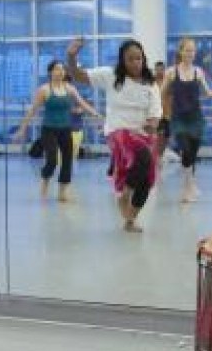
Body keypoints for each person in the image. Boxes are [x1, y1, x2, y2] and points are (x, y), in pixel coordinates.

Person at [66, 38, 162, 232]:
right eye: (131, 59)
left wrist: (153, 125)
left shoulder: (150, 84)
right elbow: (79, 75)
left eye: (139, 58)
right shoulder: (110, 76)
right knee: (142, 155)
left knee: (148, 178)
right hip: (118, 132)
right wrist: (71, 56)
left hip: (141, 134)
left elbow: (155, 115)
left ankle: (130, 219)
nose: (136, 63)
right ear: (122, 60)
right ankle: (124, 192)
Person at [14, 60, 100, 202]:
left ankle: (62, 192)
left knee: (67, 161)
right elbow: (32, 110)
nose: (60, 72)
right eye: (57, 69)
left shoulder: (70, 88)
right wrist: (22, 129)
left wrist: (94, 113)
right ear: (50, 72)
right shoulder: (44, 90)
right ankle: (45, 179)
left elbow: (82, 103)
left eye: (62, 70)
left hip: (66, 129)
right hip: (49, 130)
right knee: (52, 161)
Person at [161, 37, 212, 202]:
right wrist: (157, 112)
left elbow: (207, 93)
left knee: (192, 154)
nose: (190, 54)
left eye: (192, 51)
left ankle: (191, 184)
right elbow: (162, 93)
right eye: (187, 50)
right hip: (179, 118)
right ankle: (187, 188)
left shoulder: (198, 72)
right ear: (181, 52)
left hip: (196, 118)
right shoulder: (171, 72)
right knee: (185, 149)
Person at [153, 61, 171, 162]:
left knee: (166, 136)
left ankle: (161, 155)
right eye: (157, 69)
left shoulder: (168, 81)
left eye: (161, 69)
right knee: (158, 136)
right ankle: (157, 156)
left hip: (168, 114)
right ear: (155, 70)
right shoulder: (151, 82)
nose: (159, 71)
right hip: (156, 115)